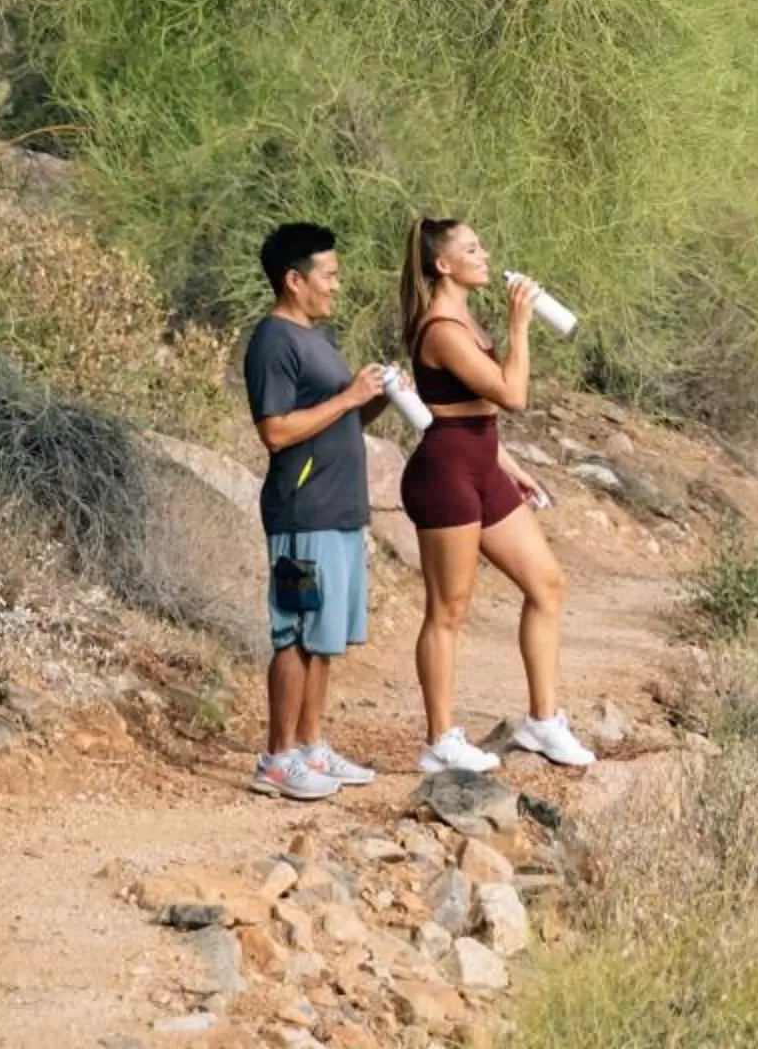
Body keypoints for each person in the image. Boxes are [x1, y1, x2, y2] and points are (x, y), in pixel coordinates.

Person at [395, 216, 596, 773]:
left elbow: (468, 410)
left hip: (481, 466)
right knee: (449, 610)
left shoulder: (461, 317)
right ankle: (440, 741)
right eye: (472, 249)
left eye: (482, 246)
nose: (484, 256)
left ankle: (542, 722)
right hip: (445, 476)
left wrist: (507, 465)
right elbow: (513, 394)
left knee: (547, 583)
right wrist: (520, 324)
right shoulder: (442, 329)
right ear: (443, 265)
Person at [244, 222, 389, 801]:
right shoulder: (274, 341)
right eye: (328, 275)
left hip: (339, 512)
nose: (336, 285)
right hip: (302, 515)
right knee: (296, 632)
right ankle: (277, 758)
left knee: (324, 636)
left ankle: (309, 744)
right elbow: (276, 432)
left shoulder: (315, 338)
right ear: (294, 280)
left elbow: (335, 417)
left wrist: (369, 401)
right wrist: (349, 398)